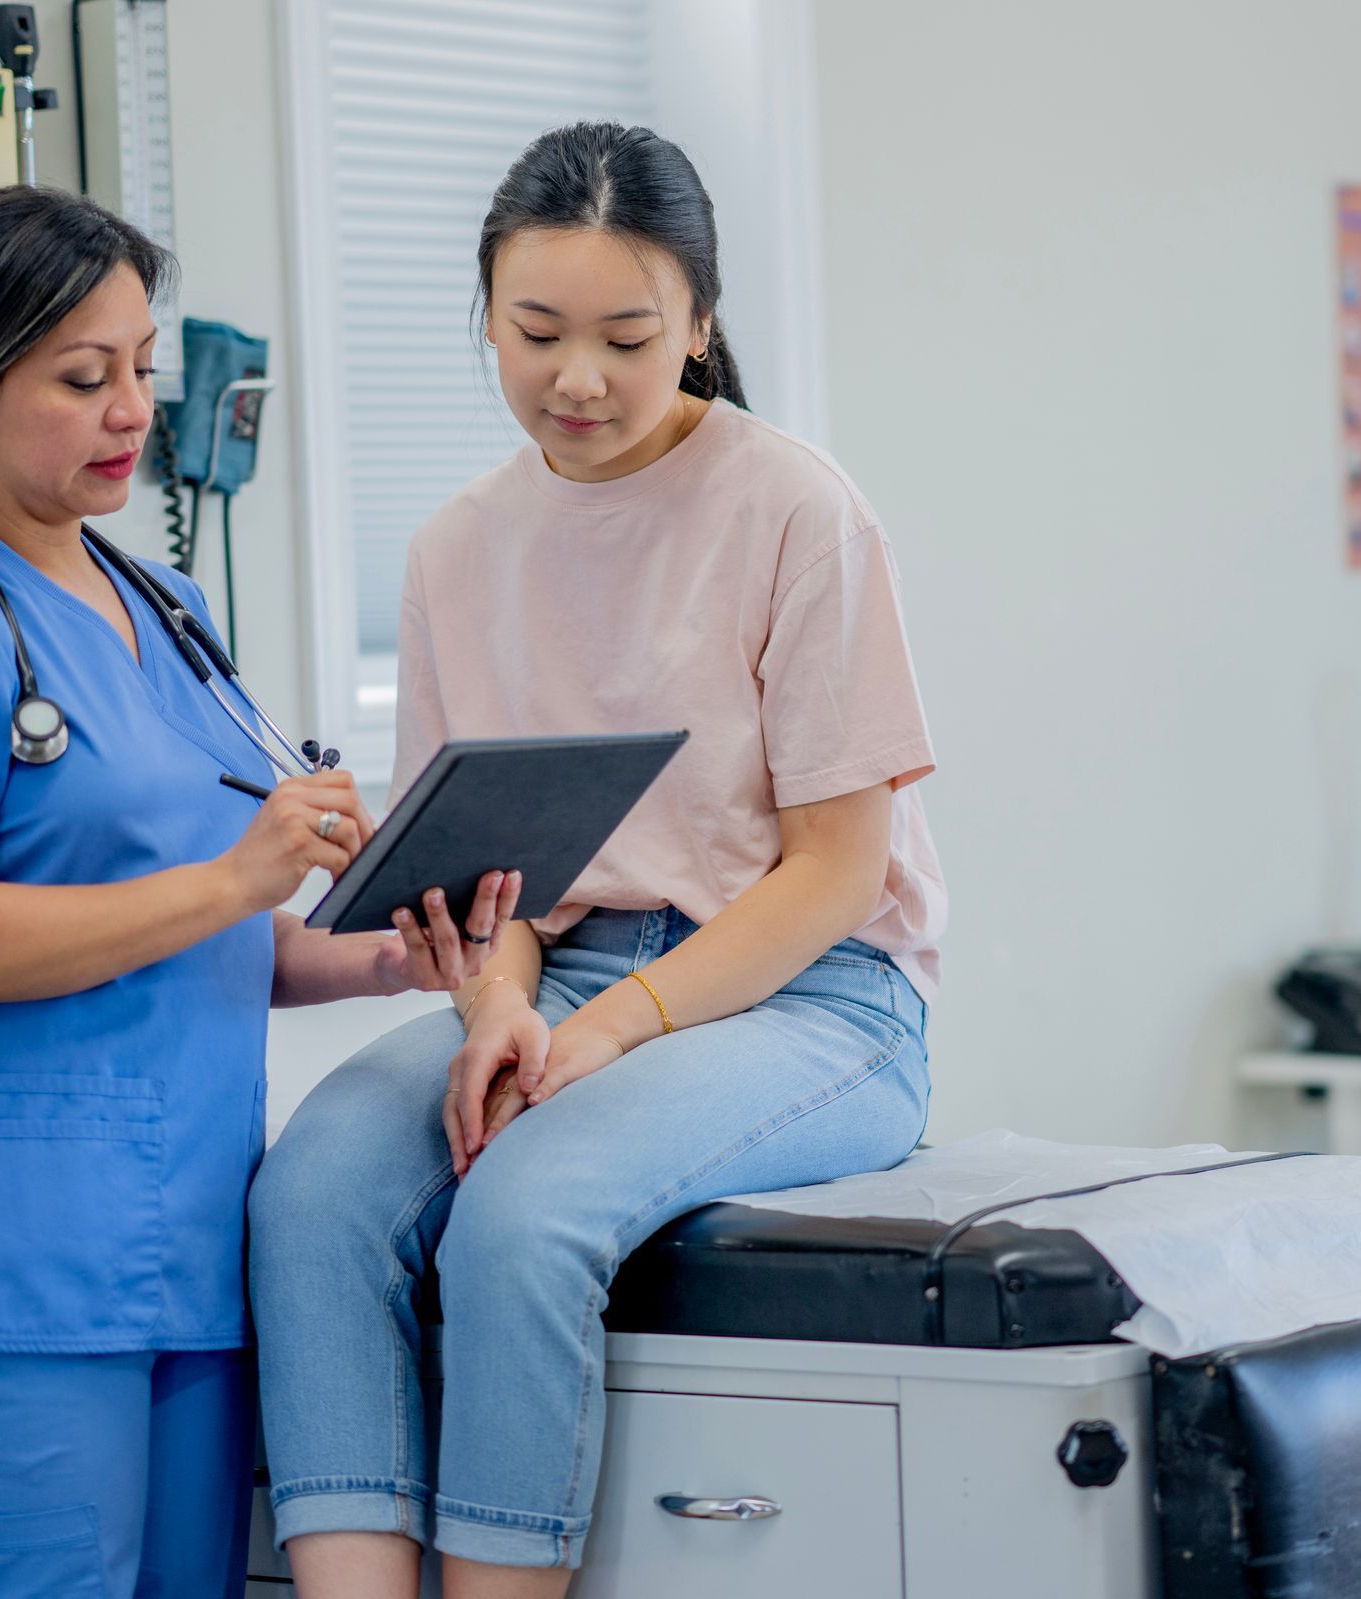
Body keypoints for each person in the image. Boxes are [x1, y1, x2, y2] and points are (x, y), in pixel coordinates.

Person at [249, 122, 947, 1599]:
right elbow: (494, 870)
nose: (577, 379)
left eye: (628, 338)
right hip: (556, 981)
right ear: (485, 318)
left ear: (698, 322)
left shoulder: (796, 510)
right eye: (536, 332)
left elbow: (834, 871)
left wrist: (608, 1028)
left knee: (523, 1205)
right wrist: (497, 1007)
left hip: (812, 996)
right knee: (311, 1191)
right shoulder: (456, 548)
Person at [0, 185, 516, 1599]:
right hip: (3, 1271)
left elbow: (214, 942)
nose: (132, 408)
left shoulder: (167, 607)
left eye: (140, 366)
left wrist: (381, 958)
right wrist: (238, 874)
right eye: (83, 377)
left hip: (185, 1256)